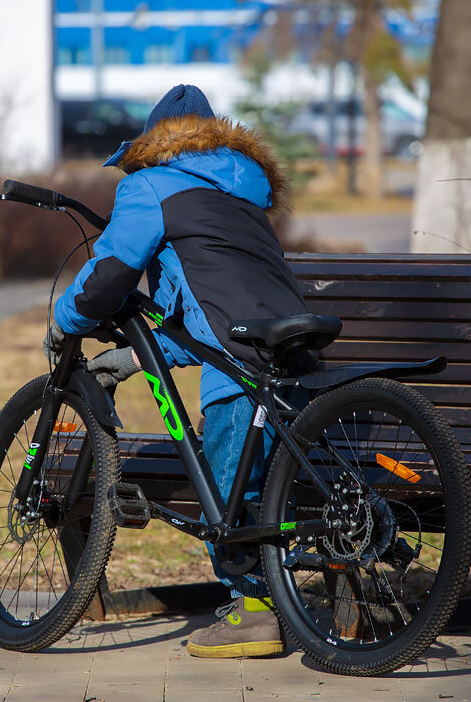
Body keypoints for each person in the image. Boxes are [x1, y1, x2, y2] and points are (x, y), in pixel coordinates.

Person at [45, 84, 313, 659]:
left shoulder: (152, 184)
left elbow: (113, 270)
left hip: (238, 361)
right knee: (264, 477)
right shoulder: (242, 194)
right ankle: (279, 600)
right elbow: (202, 313)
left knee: (225, 478)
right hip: (286, 343)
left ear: (153, 143)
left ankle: (255, 614)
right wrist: (134, 358)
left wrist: (66, 318)